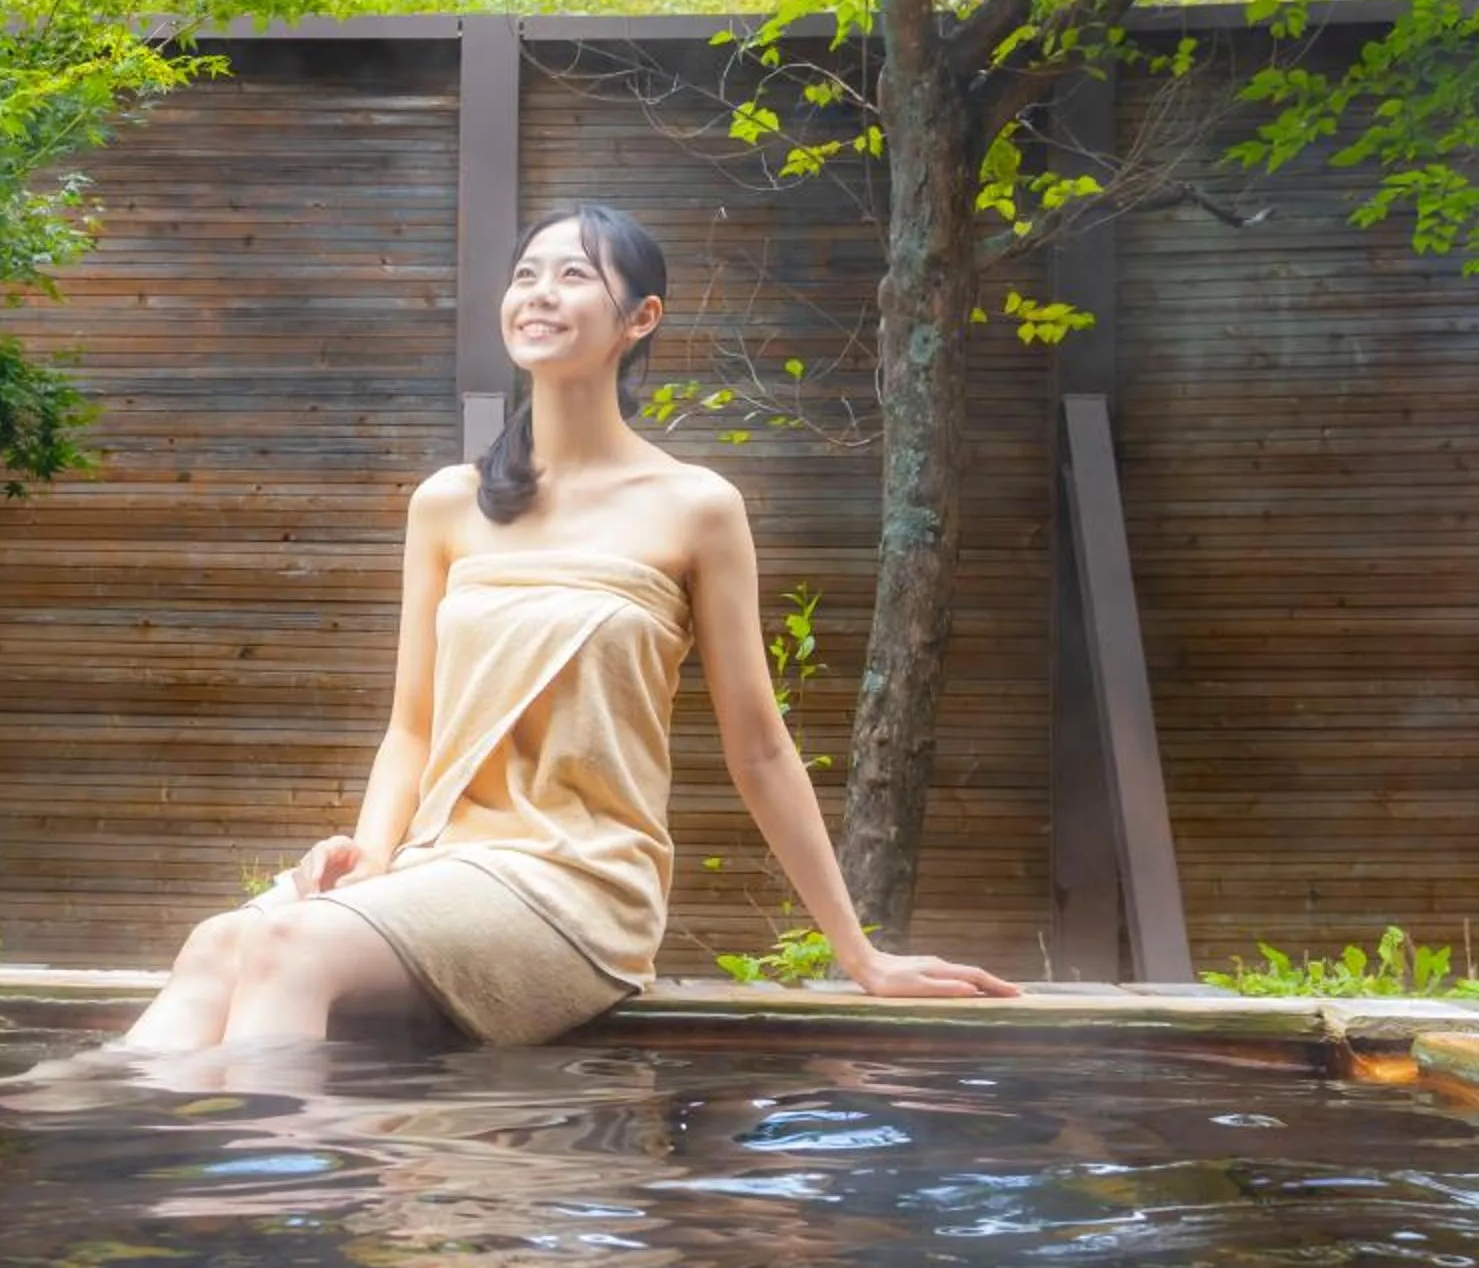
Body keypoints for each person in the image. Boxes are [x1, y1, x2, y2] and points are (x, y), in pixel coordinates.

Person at [121, 202, 1016, 1054]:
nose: (539, 291)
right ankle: (104, 1163)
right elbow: (411, 729)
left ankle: (262, 1193)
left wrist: (856, 953)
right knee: (215, 946)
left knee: (289, 950)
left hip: (581, 883)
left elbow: (762, 750)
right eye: (525, 274)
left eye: (574, 275)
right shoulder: (448, 505)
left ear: (641, 317)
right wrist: (370, 859)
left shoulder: (695, 508)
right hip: (437, 866)